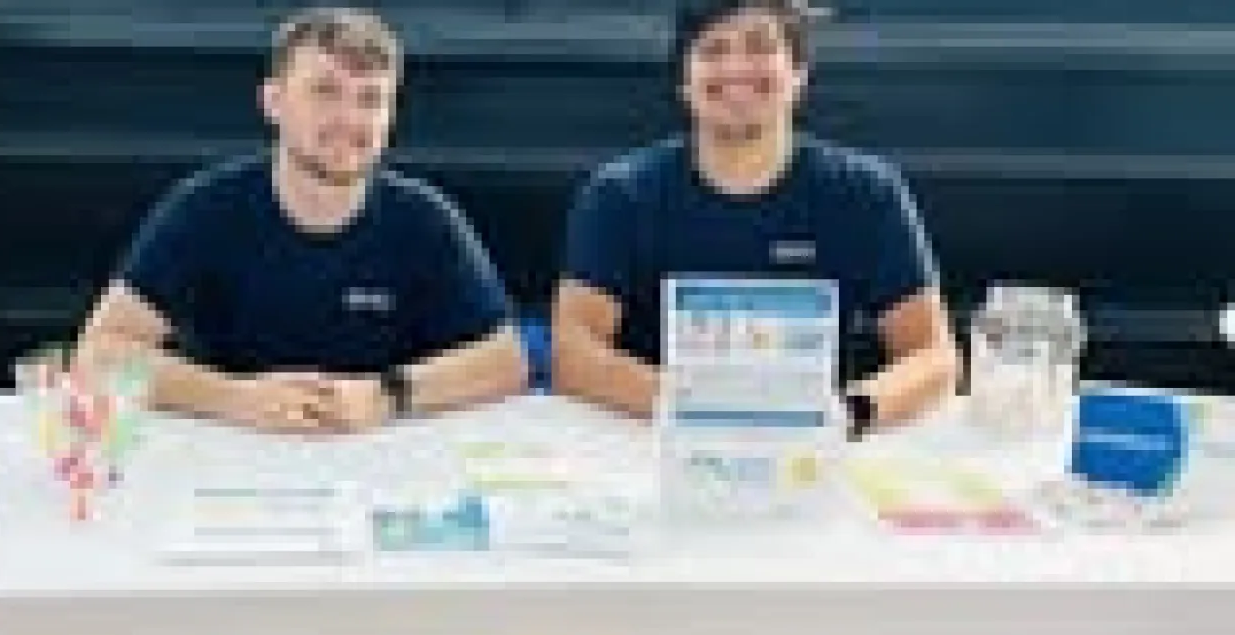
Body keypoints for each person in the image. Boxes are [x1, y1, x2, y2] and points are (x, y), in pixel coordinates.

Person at [75, 7, 526, 434]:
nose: (349, 119)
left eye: (371, 99)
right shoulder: (203, 210)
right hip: (229, 454)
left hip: (378, 457)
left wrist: (385, 396)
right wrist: (235, 398)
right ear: (273, 102)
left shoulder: (427, 220)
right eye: (325, 91)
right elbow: (100, 354)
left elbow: (505, 362)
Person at [551, 0, 959, 436]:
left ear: (798, 75)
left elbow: (932, 355)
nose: (737, 68)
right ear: (684, 82)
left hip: (809, 454)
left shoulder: (866, 193)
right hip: (652, 444)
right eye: (713, 50)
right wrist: (709, 409)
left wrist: (850, 412)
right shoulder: (621, 195)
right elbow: (573, 355)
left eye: (759, 47)